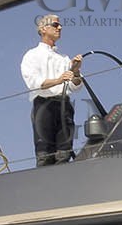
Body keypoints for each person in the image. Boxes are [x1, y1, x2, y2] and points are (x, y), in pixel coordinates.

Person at [21, 15, 83, 167]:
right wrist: (58, 80)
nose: (60, 28)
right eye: (55, 25)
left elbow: (76, 86)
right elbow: (33, 82)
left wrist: (75, 71)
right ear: (43, 29)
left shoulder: (64, 58)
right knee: (44, 154)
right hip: (44, 106)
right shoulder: (32, 55)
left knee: (64, 153)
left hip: (64, 106)